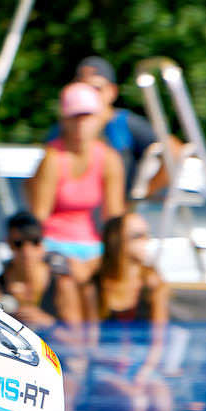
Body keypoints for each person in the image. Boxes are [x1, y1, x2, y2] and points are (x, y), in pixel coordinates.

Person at [83, 211, 177, 411]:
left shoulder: (153, 284)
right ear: (118, 242)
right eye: (138, 236)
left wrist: (144, 372)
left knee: (161, 403)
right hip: (105, 366)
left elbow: (158, 341)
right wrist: (112, 360)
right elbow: (90, 344)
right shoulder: (96, 286)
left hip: (143, 364)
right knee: (135, 403)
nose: (146, 242)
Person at [48, 56, 180, 199]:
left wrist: (145, 192)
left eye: (96, 88)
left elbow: (175, 151)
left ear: (112, 91)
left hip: (116, 208)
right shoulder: (62, 128)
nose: (88, 94)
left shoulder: (126, 124)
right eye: (82, 88)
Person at [29, 82, 124, 271]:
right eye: (75, 117)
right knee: (68, 278)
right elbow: (39, 216)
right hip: (53, 243)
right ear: (64, 121)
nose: (81, 124)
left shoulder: (109, 158)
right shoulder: (53, 158)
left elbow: (114, 217)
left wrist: (115, 254)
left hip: (92, 246)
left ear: (98, 119)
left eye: (87, 116)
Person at [0, 212, 65, 330]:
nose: (27, 251)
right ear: (9, 243)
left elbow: (79, 337)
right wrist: (12, 320)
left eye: (34, 242)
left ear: (43, 243)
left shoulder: (62, 284)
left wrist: (48, 323)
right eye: (19, 244)